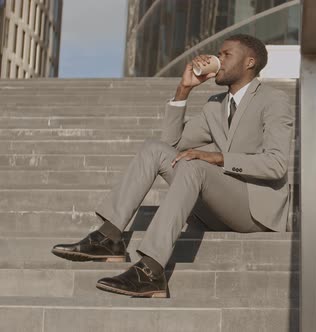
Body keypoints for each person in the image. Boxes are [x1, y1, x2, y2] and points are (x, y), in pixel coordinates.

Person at [50, 34, 294, 298]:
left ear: (250, 62)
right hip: (218, 207)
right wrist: (184, 89)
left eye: (226, 55)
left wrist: (218, 158)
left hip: (254, 210)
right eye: (218, 54)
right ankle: (109, 237)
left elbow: (276, 163)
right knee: (153, 149)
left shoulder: (273, 100)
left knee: (196, 163)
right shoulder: (216, 106)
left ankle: (151, 270)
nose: (218, 60)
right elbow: (170, 143)